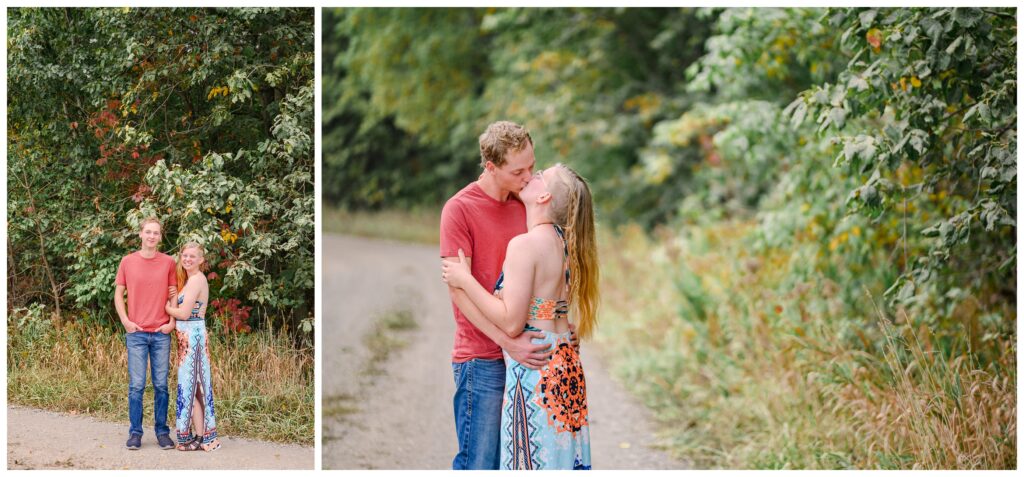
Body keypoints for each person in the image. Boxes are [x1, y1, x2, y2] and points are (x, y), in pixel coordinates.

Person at [442, 163, 598, 470]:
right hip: (564, 364)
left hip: (535, 371)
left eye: (539, 176)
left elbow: (512, 321)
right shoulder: (565, 243)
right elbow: (554, 307)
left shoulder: (525, 245)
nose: (531, 175)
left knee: (530, 461)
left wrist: (464, 278)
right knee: (560, 461)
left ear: (544, 198)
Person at [440, 121, 561, 470]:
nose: (528, 177)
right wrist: (506, 342)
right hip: (482, 358)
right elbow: (458, 289)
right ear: (491, 167)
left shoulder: (528, 203)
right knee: (480, 461)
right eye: (518, 171)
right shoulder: (460, 209)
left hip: (529, 358)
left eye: (532, 167)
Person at [114, 217, 178, 451]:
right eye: (148, 232)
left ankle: (162, 432)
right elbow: (118, 294)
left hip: (161, 333)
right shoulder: (127, 261)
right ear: (140, 234)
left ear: (160, 237)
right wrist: (125, 321)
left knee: (161, 385)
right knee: (136, 386)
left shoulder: (169, 262)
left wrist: (171, 322)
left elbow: (174, 293)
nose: (152, 236)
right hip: (137, 333)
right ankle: (135, 433)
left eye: (156, 233)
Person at [165, 242, 221, 452]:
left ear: (201, 260)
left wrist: (167, 307)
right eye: (185, 256)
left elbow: (184, 313)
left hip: (194, 337)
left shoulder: (198, 279)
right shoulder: (188, 281)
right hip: (185, 338)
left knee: (196, 385)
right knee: (191, 386)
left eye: (192, 256)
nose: (187, 259)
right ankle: (197, 435)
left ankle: (205, 437)